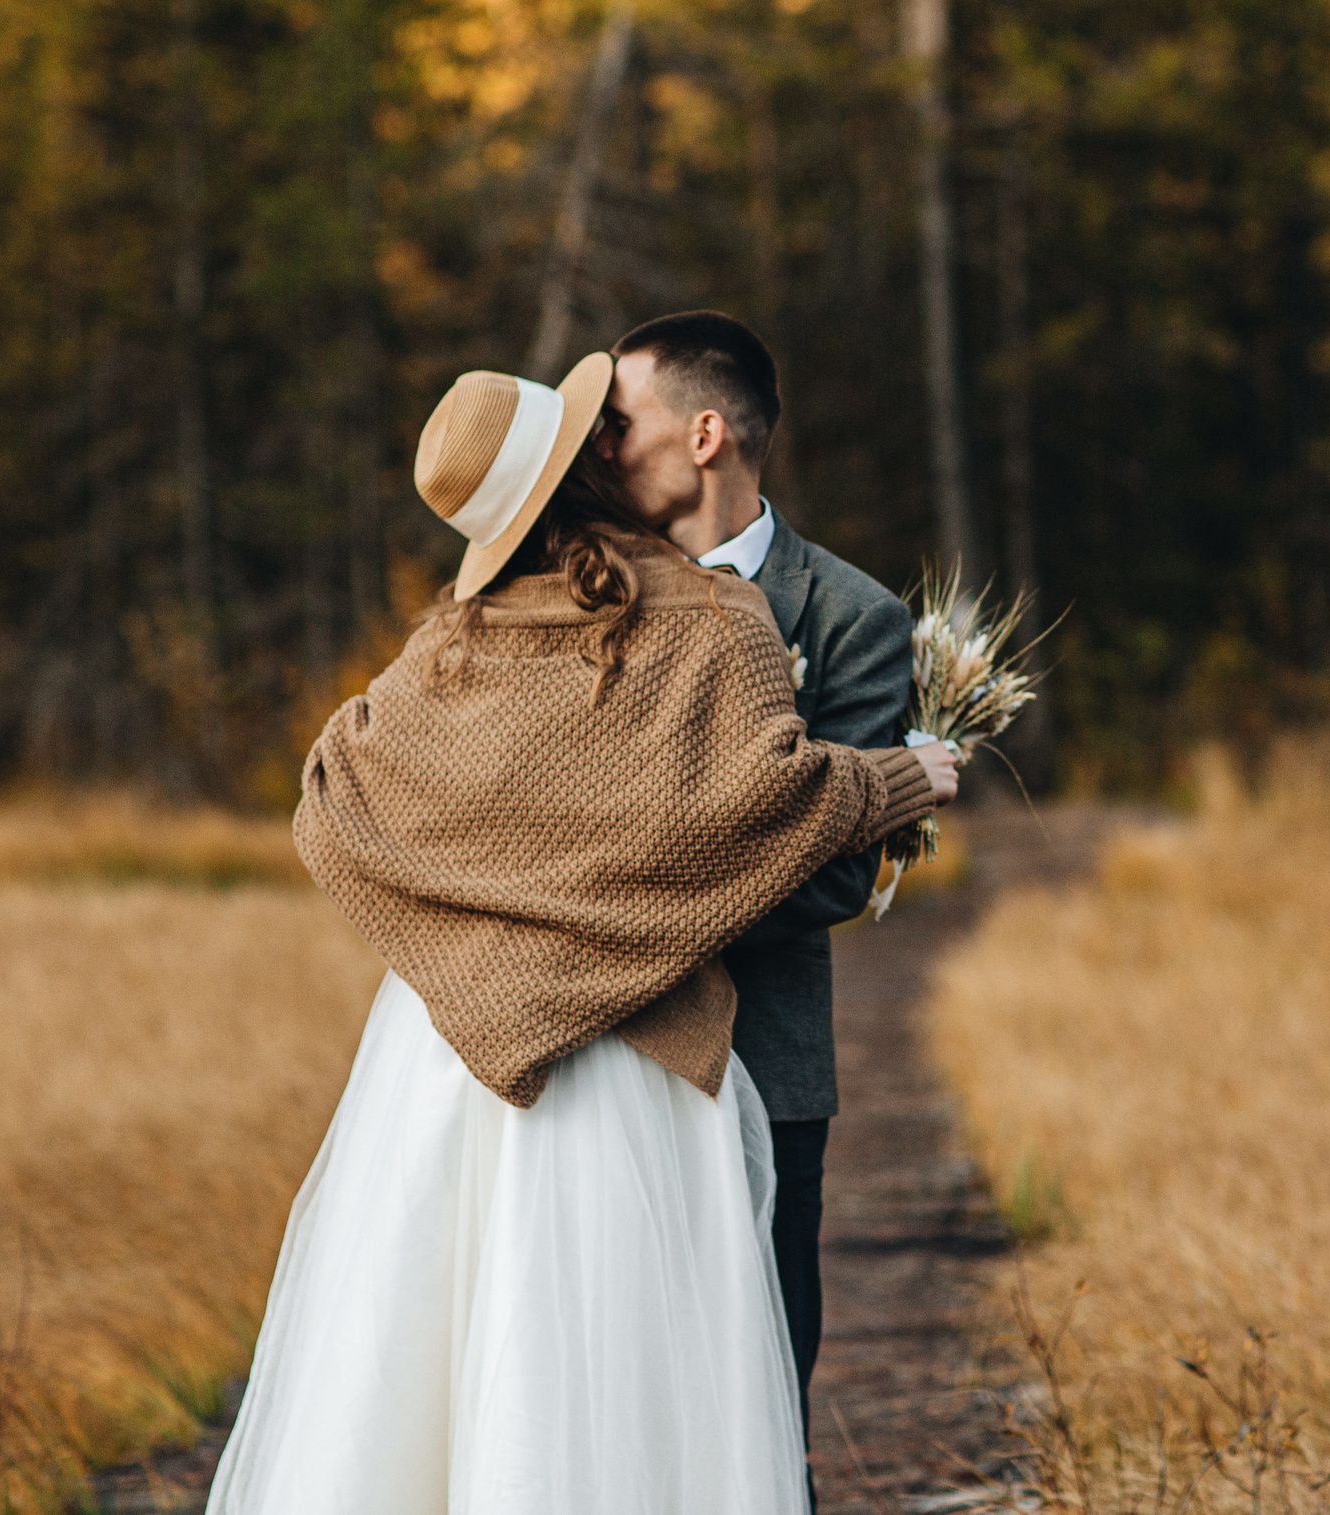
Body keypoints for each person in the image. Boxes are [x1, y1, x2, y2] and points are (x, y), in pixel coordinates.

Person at [204, 349, 958, 1515]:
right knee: (653, 1393)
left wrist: (470, 939)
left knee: (433, 1379)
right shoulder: (716, 617)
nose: (611, 440)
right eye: (591, 430)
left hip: (443, 1057)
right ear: (581, 470)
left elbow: (331, 804)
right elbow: (756, 808)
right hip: (641, 1066)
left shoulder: (451, 641)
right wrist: (893, 783)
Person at [589, 310, 914, 1478]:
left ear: (708, 433)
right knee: (605, 1401)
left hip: (761, 1069)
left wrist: (611, 894)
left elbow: (831, 872)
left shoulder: (849, 615)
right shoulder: (581, 592)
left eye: (621, 424)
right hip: (592, 1074)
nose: (603, 448)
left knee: (758, 1412)